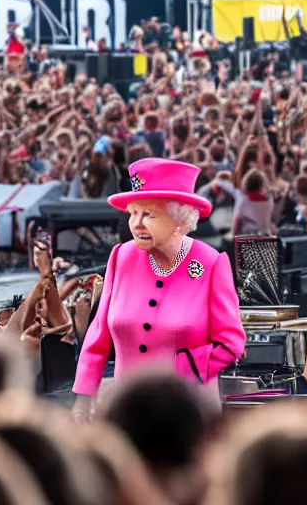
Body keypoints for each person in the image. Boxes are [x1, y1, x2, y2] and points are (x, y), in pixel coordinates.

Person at [72, 159, 246, 421]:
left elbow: (231, 343)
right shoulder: (121, 256)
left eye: (148, 215)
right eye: (133, 213)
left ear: (180, 219)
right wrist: (83, 399)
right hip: (126, 416)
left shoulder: (211, 263)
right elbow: (98, 337)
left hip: (188, 415)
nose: (137, 224)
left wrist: (177, 370)